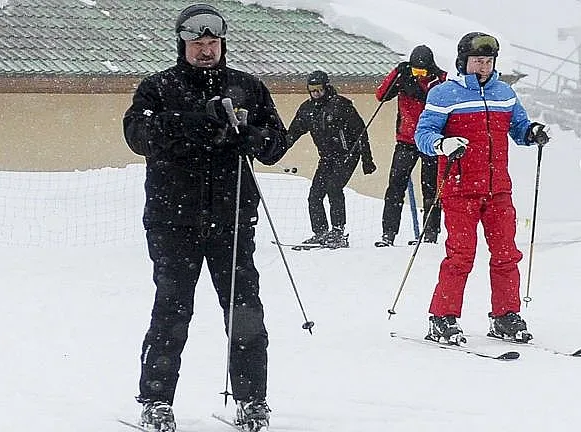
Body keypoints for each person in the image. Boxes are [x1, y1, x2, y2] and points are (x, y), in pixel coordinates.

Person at [123, 4, 290, 431]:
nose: (205, 49)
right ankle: (156, 399)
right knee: (173, 310)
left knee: (244, 310)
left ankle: (253, 400)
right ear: (182, 43)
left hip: (232, 219)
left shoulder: (247, 87)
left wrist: (251, 136)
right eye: (196, 42)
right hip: (172, 219)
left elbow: (277, 143)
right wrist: (199, 121)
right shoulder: (158, 87)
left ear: (222, 43)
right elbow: (140, 137)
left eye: (212, 42)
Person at [414, 32, 550, 345]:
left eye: (488, 61)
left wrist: (532, 132)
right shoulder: (443, 94)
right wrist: (442, 144)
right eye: (478, 61)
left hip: (498, 188)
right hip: (460, 186)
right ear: (463, 61)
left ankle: (505, 316)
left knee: (506, 254)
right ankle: (442, 317)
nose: (483, 67)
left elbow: (518, 128)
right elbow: (424, 134)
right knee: (461, 255)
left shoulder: (504, 93)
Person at [286, 70, 377, 248]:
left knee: (334, 188)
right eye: (312, 91)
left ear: (327, 87)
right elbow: (292, 133)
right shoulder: (307, 109)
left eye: (319, 90)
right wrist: (275, 150)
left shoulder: (341, 105)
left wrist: (367, 160)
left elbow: (360, 132)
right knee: (315, 194)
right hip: (327, 157)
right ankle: (320, 232)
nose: (316, 94)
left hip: (347, 155)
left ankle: (338, 231)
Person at [374, 45, 447, 247]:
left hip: (432, 142)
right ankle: (388, 233)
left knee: (431, 189)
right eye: (415, 71)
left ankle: (430, 234)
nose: (419, 76)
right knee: (395, 187)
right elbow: (381, 95)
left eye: (422, 72)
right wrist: (397, 71)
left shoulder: (441, 80)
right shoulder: (403, 76)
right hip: (405, 140)